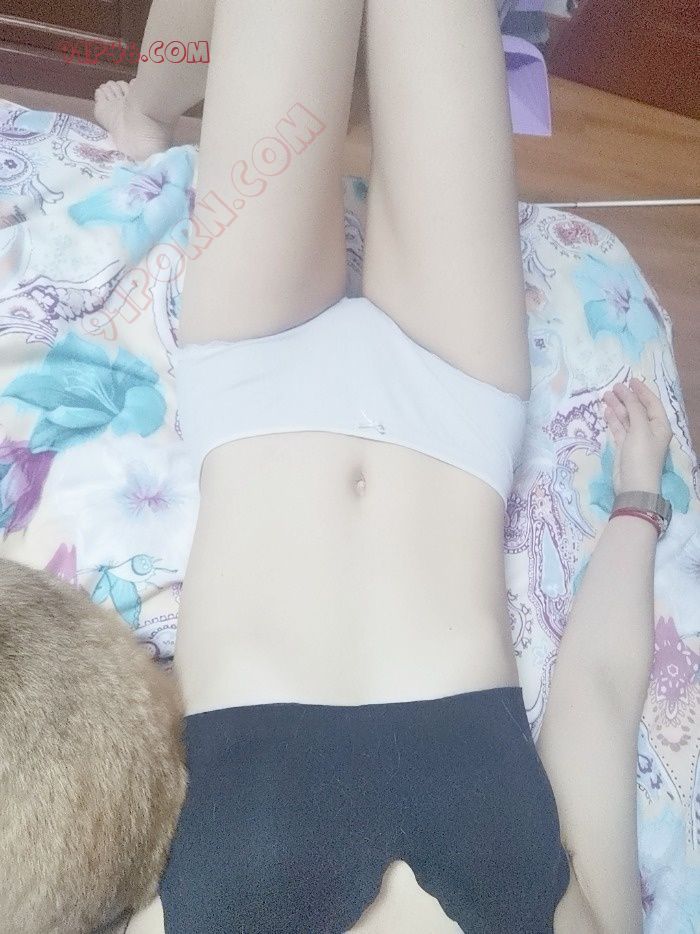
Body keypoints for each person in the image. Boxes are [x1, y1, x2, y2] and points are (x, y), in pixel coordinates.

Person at [120, 1, 673, 931]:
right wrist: (636, 502)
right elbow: (602, 700)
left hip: (255, 390)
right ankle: (151, 103)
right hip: (452, 403)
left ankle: (147, 110)